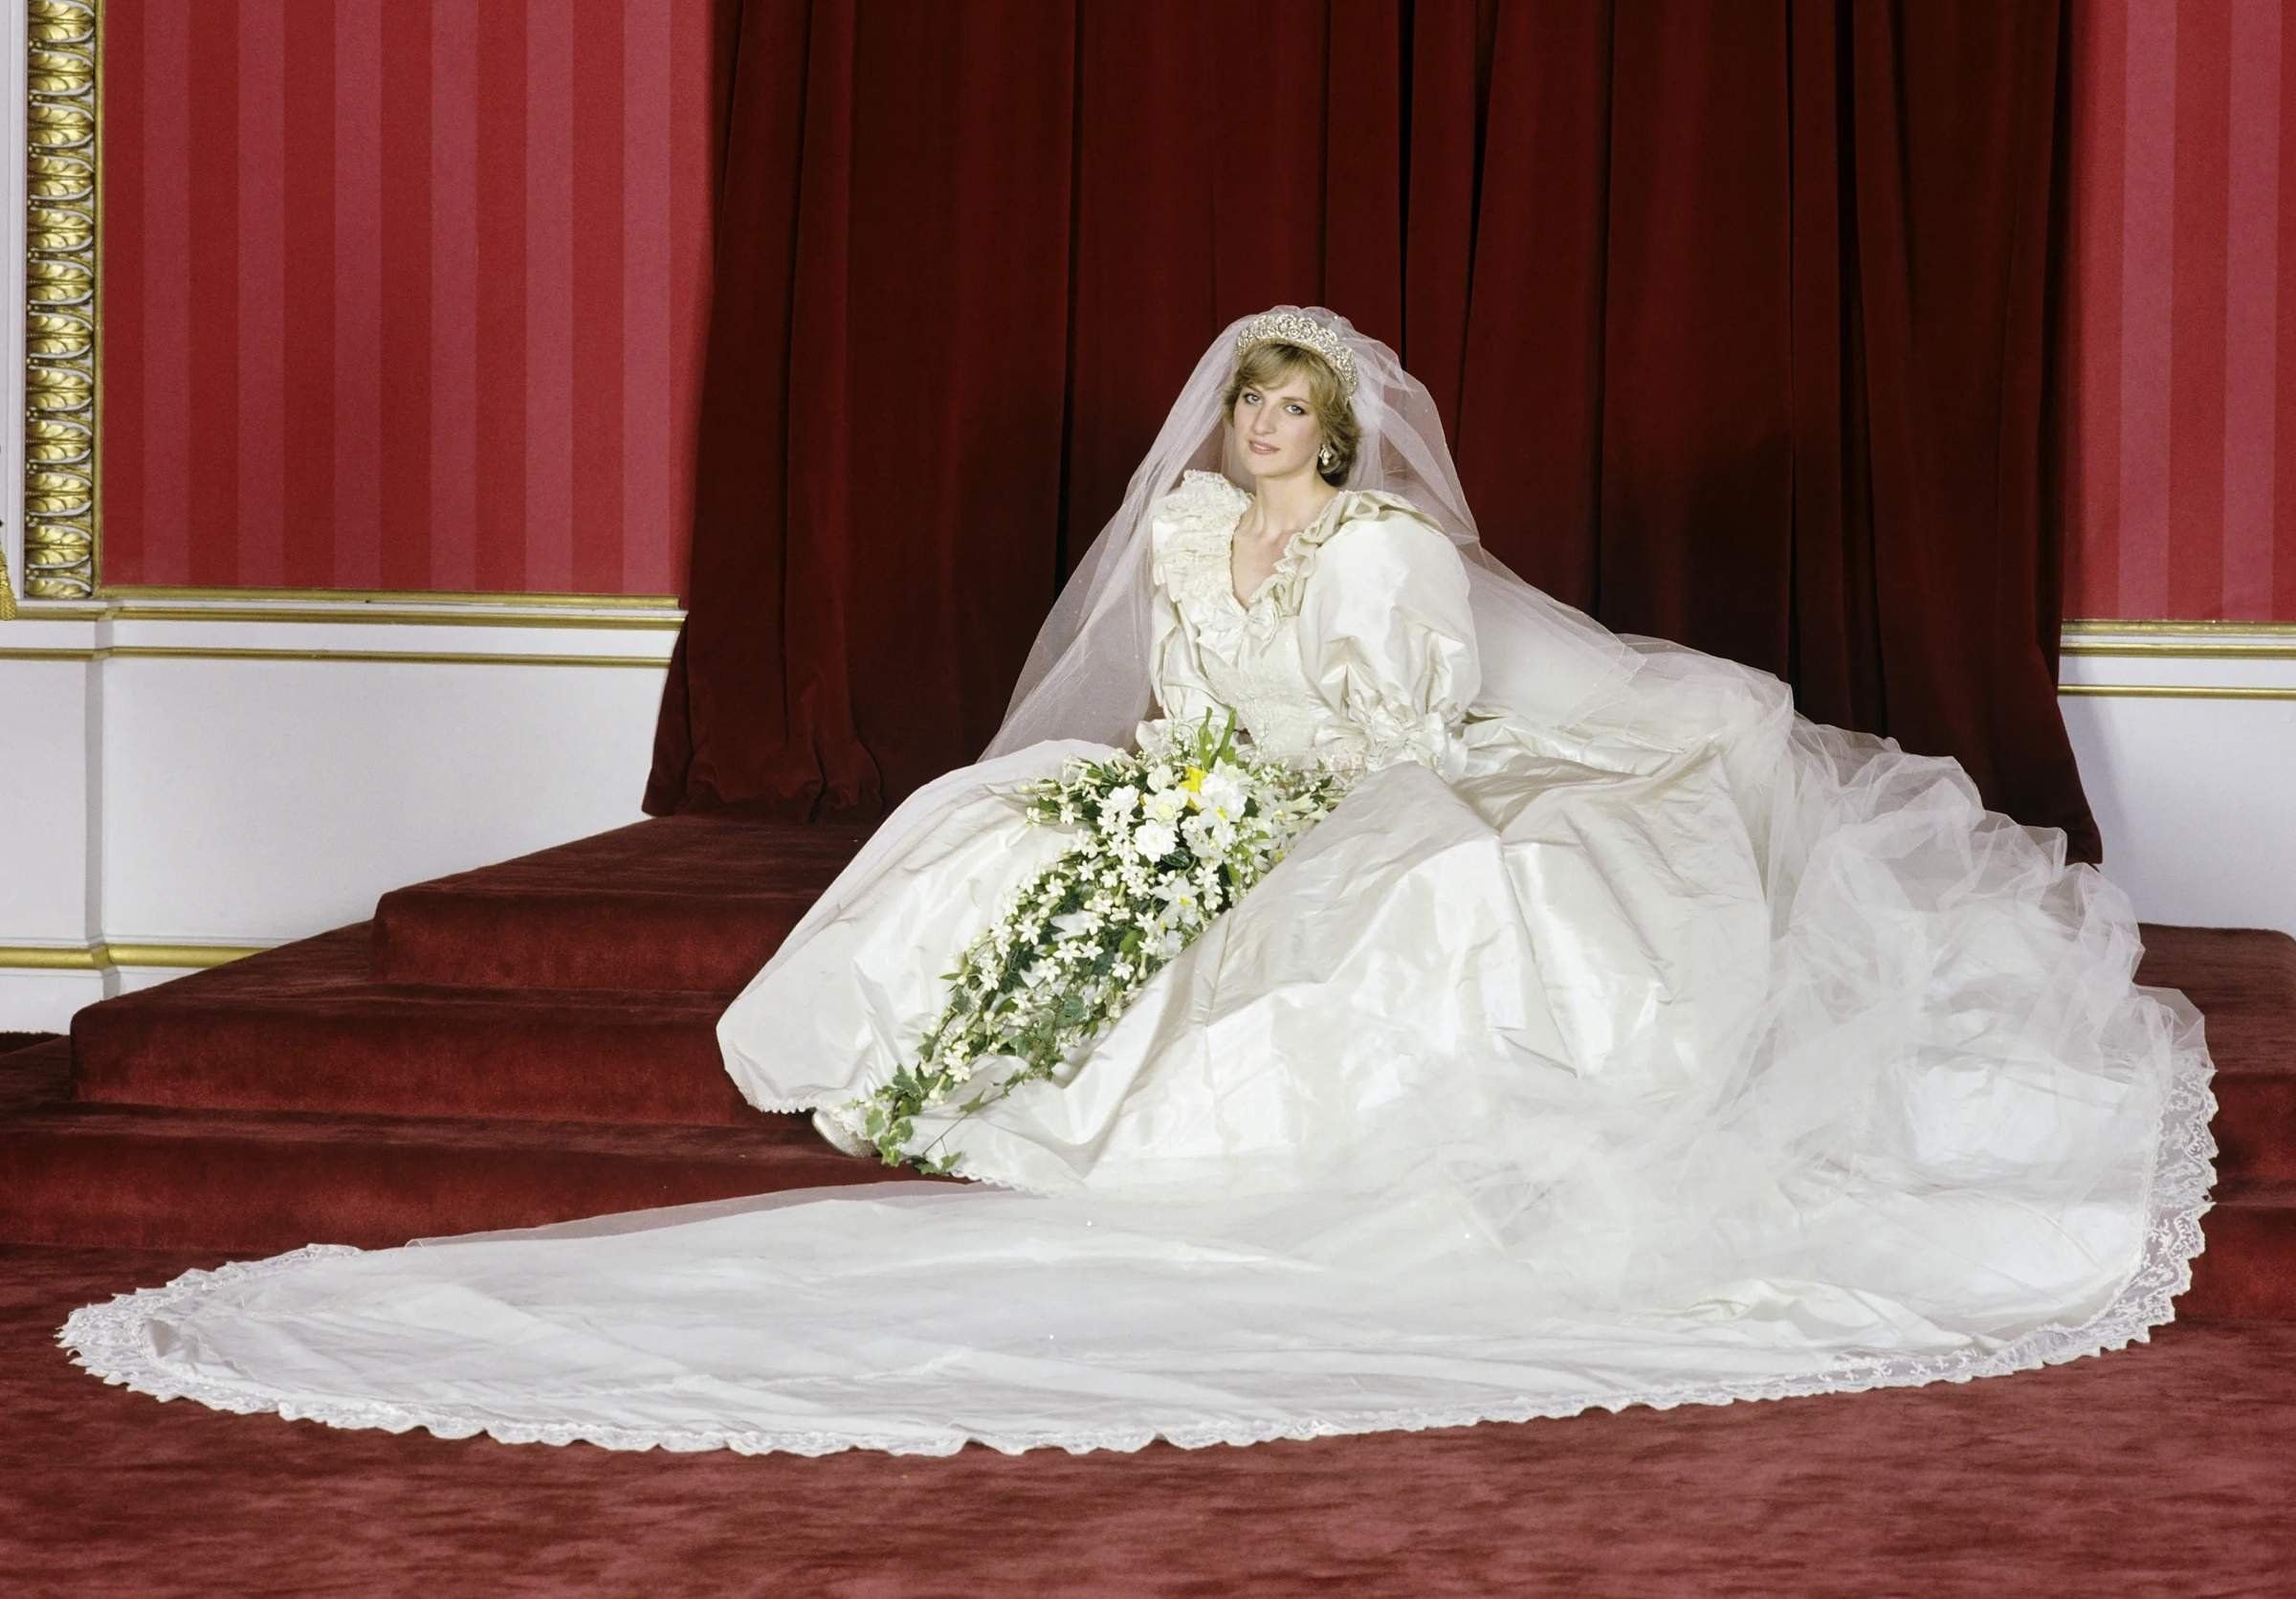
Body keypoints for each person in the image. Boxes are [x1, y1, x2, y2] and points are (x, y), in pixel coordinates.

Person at [61, 307, 2215, 1458]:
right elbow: (1190, 687)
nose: (1264, 435)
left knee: (1428, 886)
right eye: (1248, 411)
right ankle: (953, 1057)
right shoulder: (1191, 537)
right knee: (995, 823)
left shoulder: (1389, 556)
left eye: (1291, 414)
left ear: (1336, 434)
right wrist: (1172, 786)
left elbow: (1395, 728)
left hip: (1353, 770)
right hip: (1221, 772)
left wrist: (1257, 802)